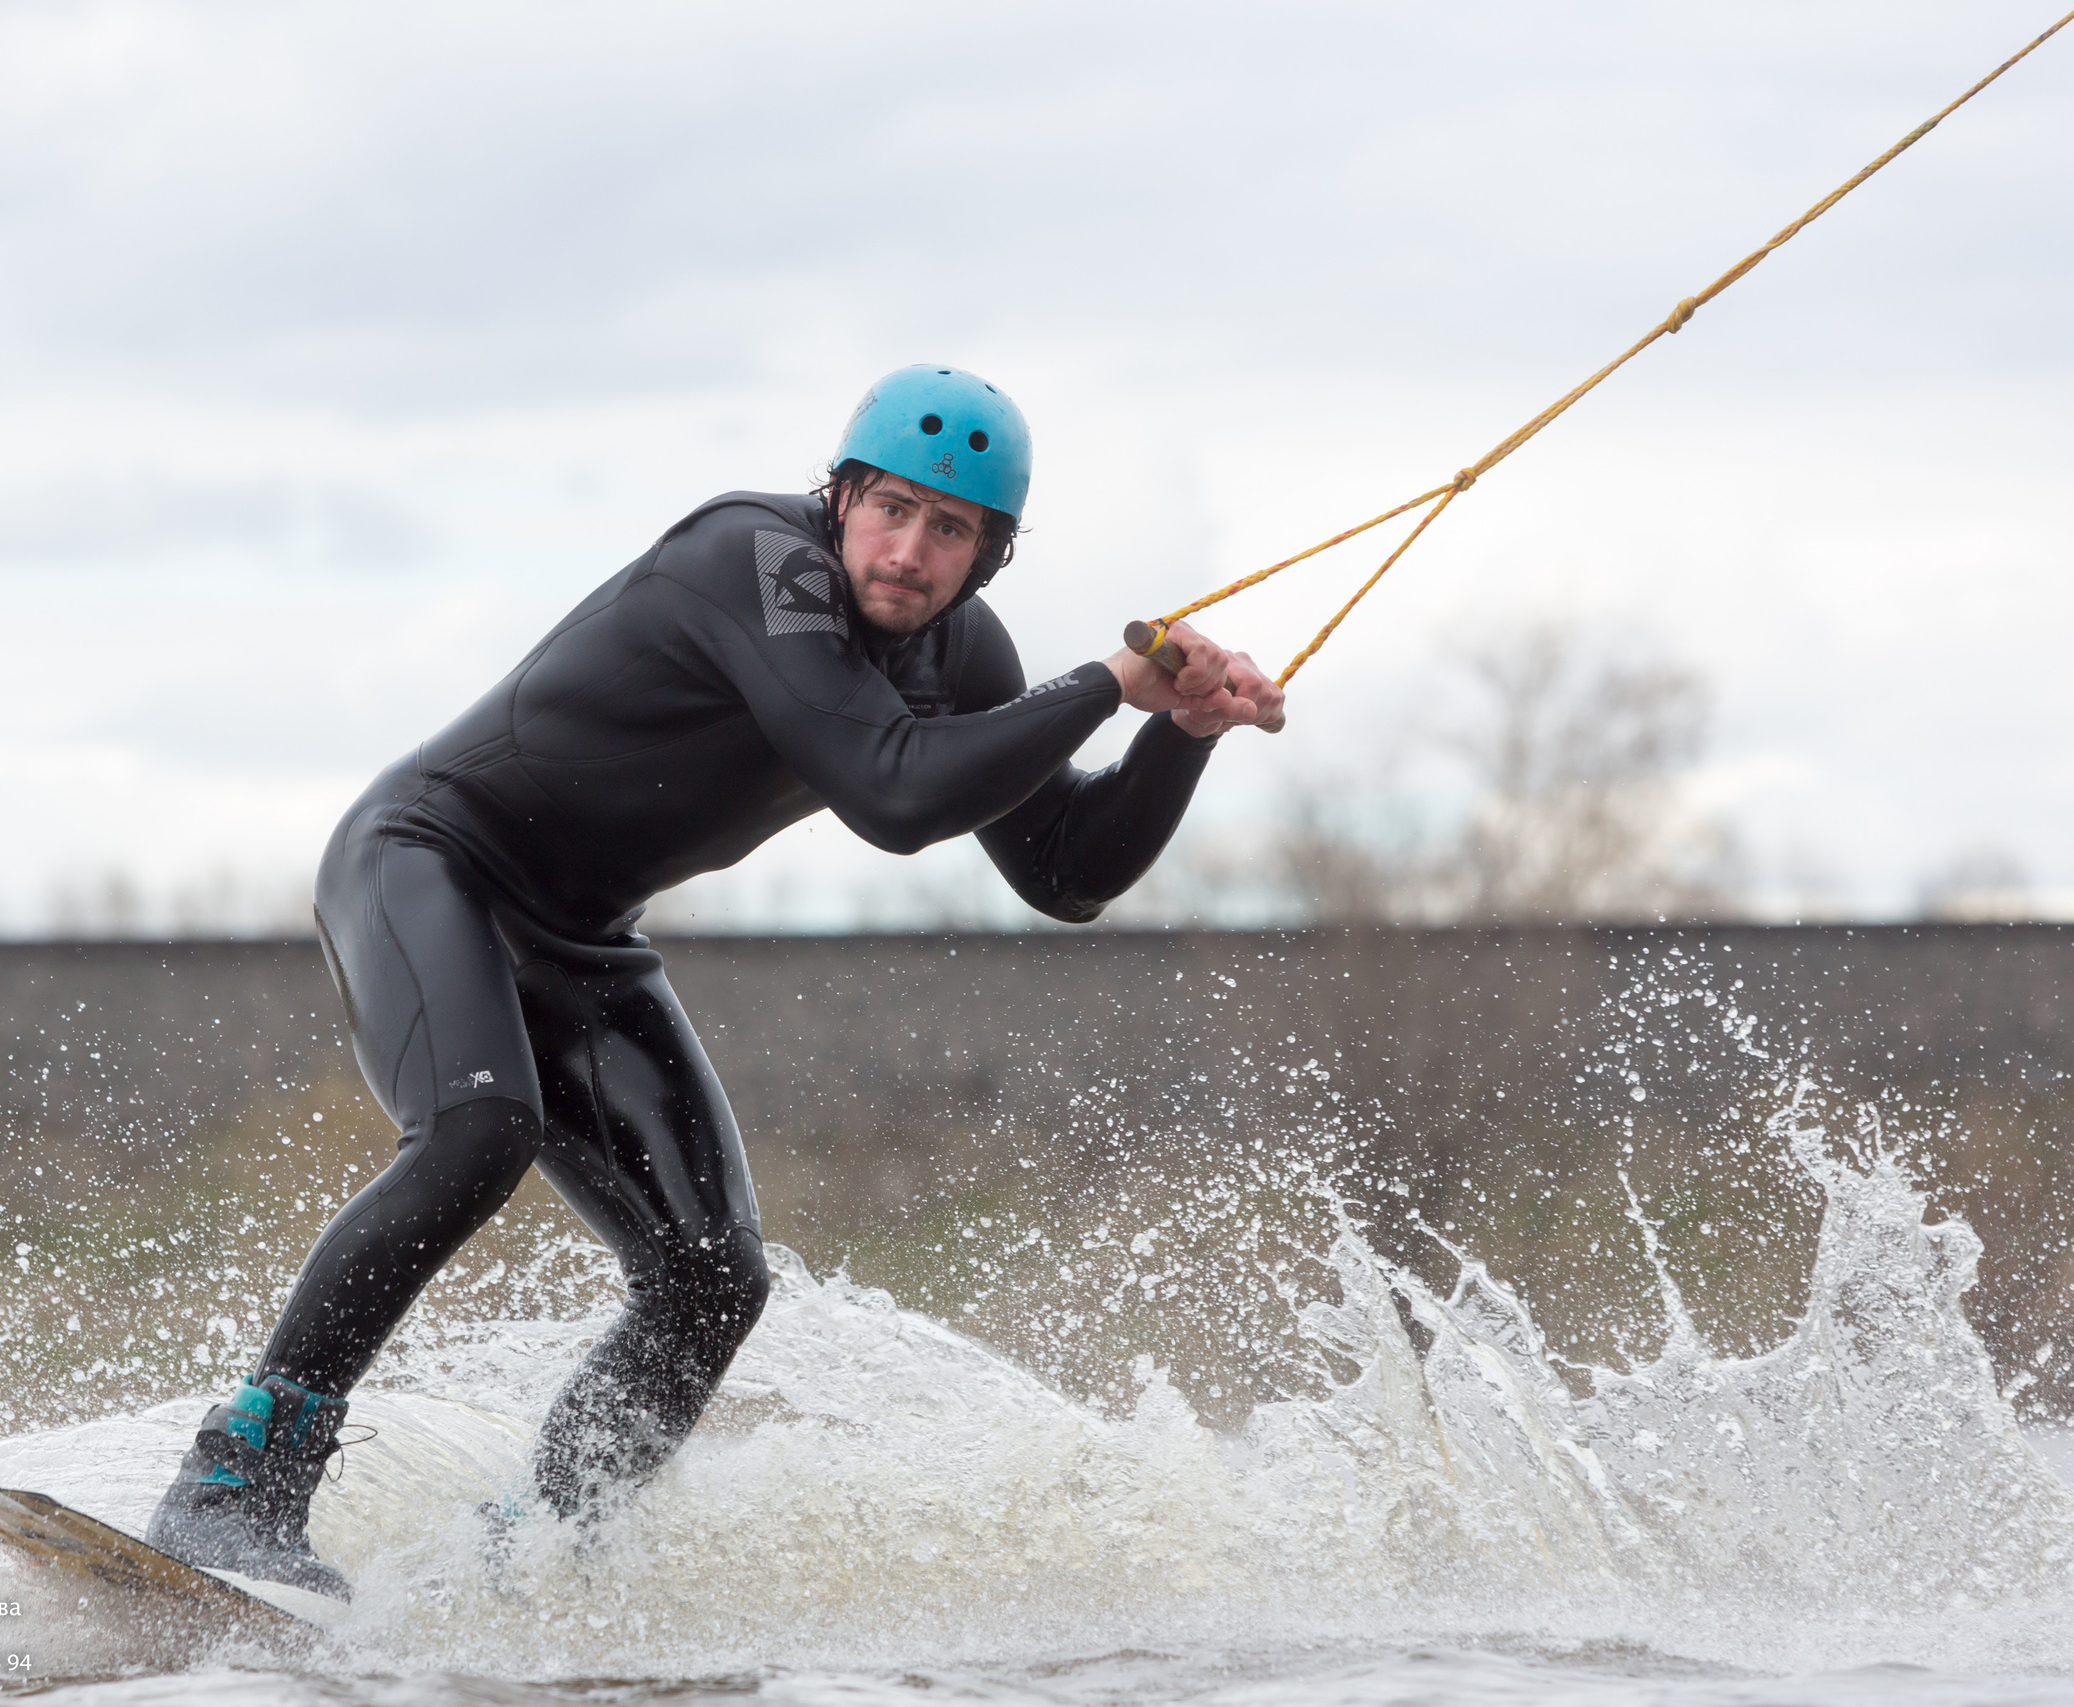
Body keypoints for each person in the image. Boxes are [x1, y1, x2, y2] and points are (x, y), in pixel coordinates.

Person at [144, 365, 1284, 1598]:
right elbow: (894, 793)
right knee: (479, 1128)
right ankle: (232, 1487)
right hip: (429, 862)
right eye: (890, 509)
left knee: (711, 1276)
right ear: (840, 498)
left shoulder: (960, 651)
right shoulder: (755, 558)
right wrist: (1105, 683)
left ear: (989, 554)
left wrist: (1177, 734)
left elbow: (1065, 870)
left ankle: (536, 1552)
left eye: (950, 530)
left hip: (577, 938)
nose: (909, 552)